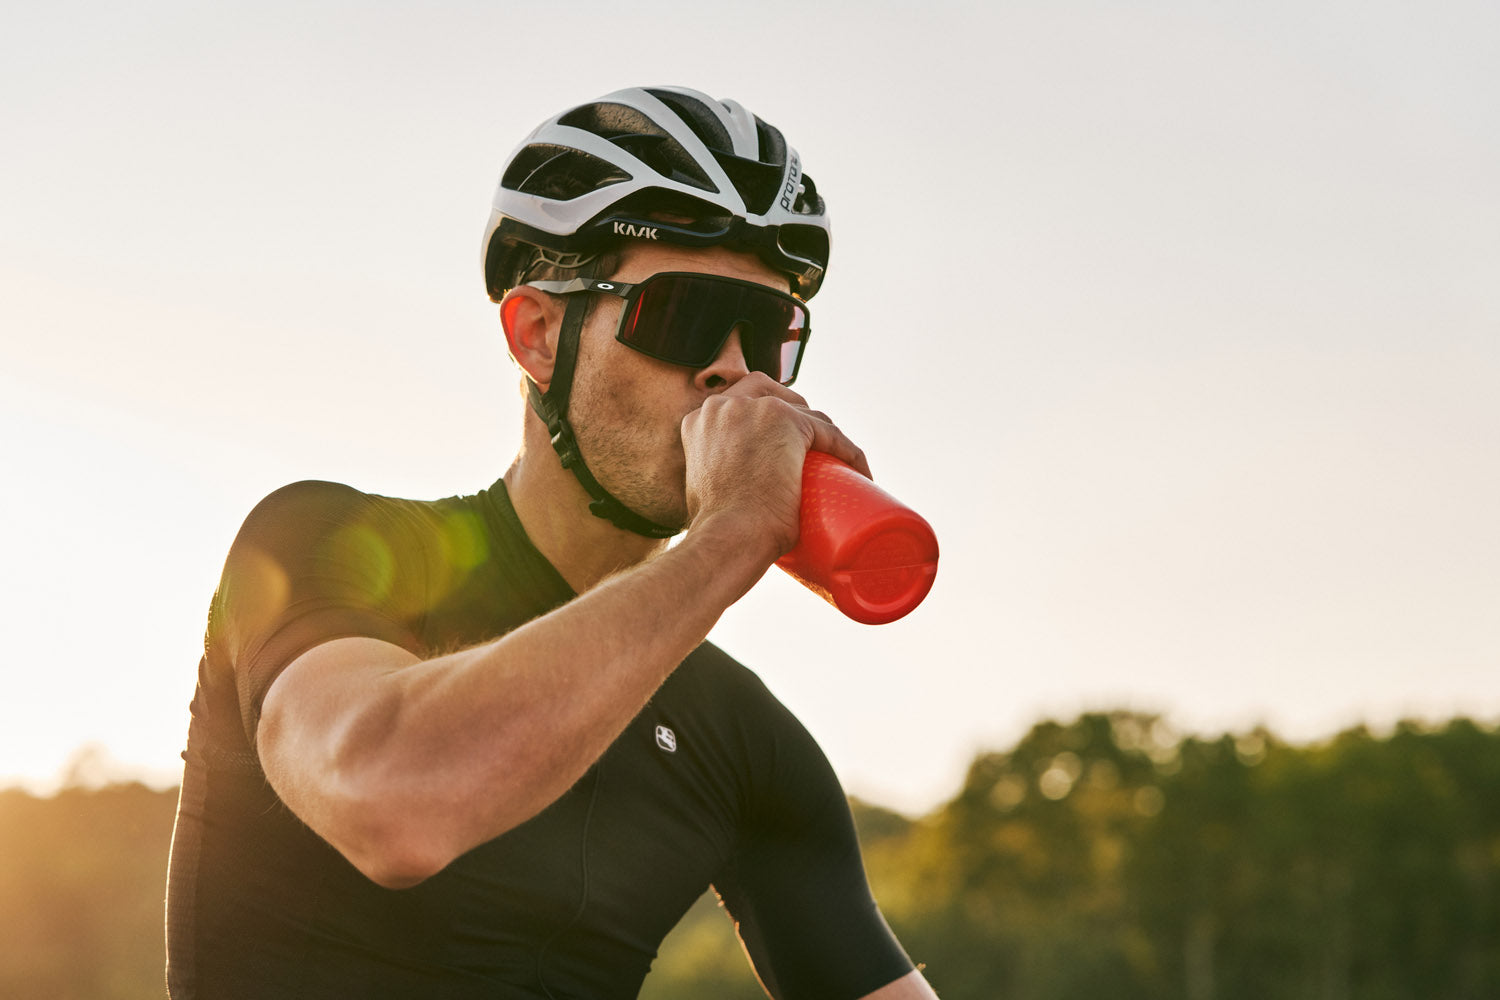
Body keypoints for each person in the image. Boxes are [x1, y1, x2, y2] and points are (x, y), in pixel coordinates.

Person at [165, 85, 938, 1000]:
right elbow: (390, 802)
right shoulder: (326, 539)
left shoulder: (747, 744)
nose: (731, 366)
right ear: (537, 336)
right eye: (683, 314)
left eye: (769, 332)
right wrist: (733, 535)